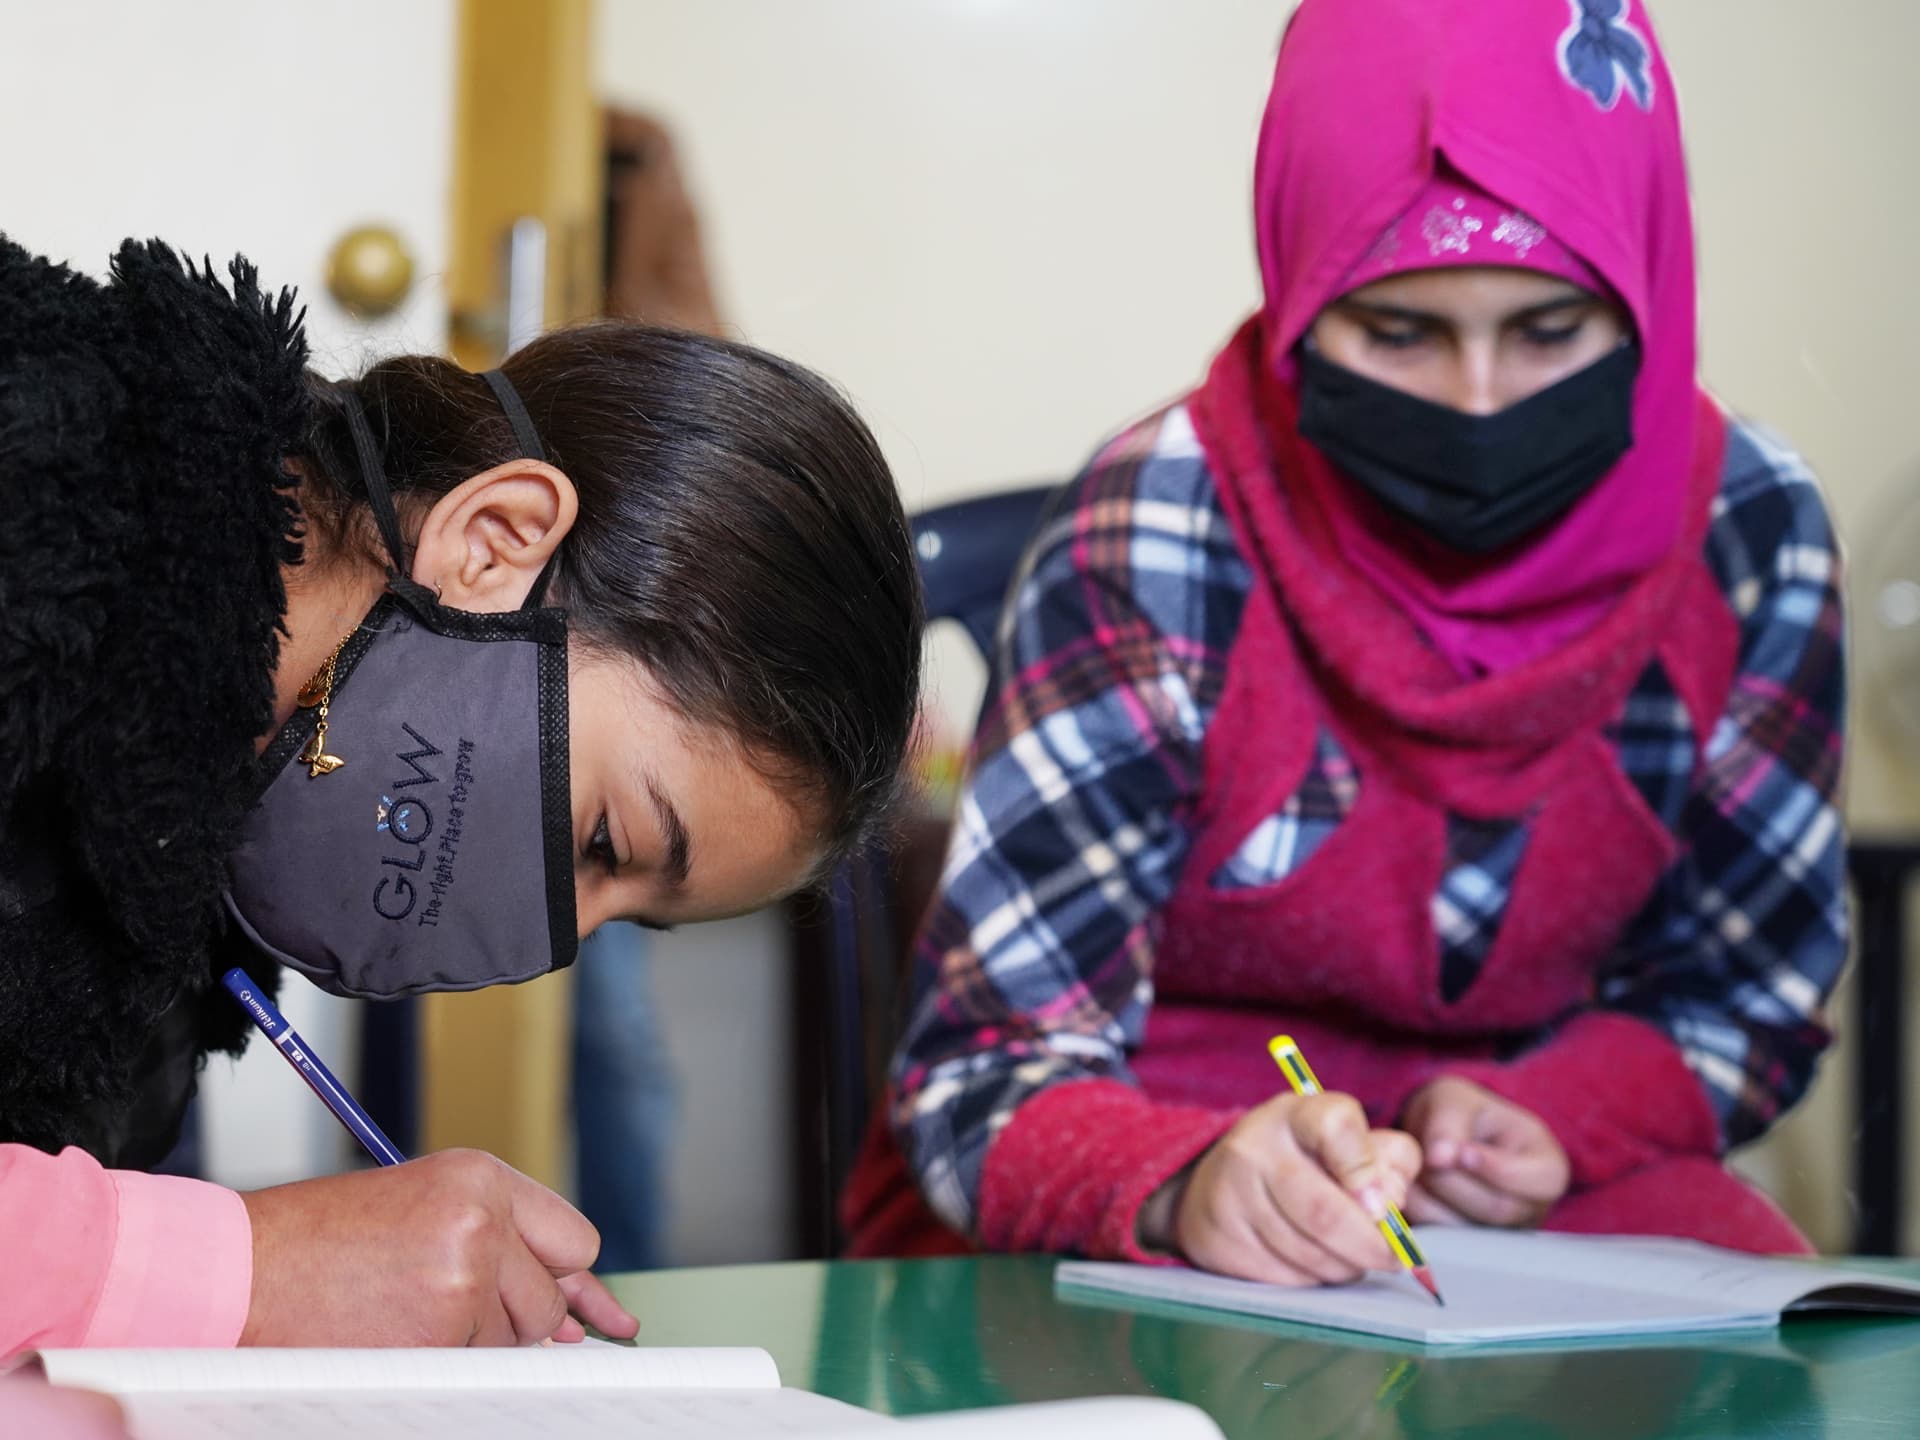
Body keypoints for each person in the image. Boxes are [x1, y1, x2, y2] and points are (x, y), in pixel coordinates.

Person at [847, 0, 1846, 1284]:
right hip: (1143, 1180)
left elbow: (1742, 1004)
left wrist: (1563, 1113)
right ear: (1300, 290)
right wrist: (1181, 1185)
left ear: (1648, 290)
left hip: (1542, 1202)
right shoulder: (1156, 524)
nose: (1480, 400)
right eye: (1398, 332)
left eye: (1549, 332)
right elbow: (985, 1077)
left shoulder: (1749, 533)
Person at [0, 231, 923, 1356]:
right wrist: (237, 1266)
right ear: (493, 546)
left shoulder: (180, 915)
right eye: (604, 840)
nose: (553, 942)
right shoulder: (33, 468)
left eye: (630, 919)